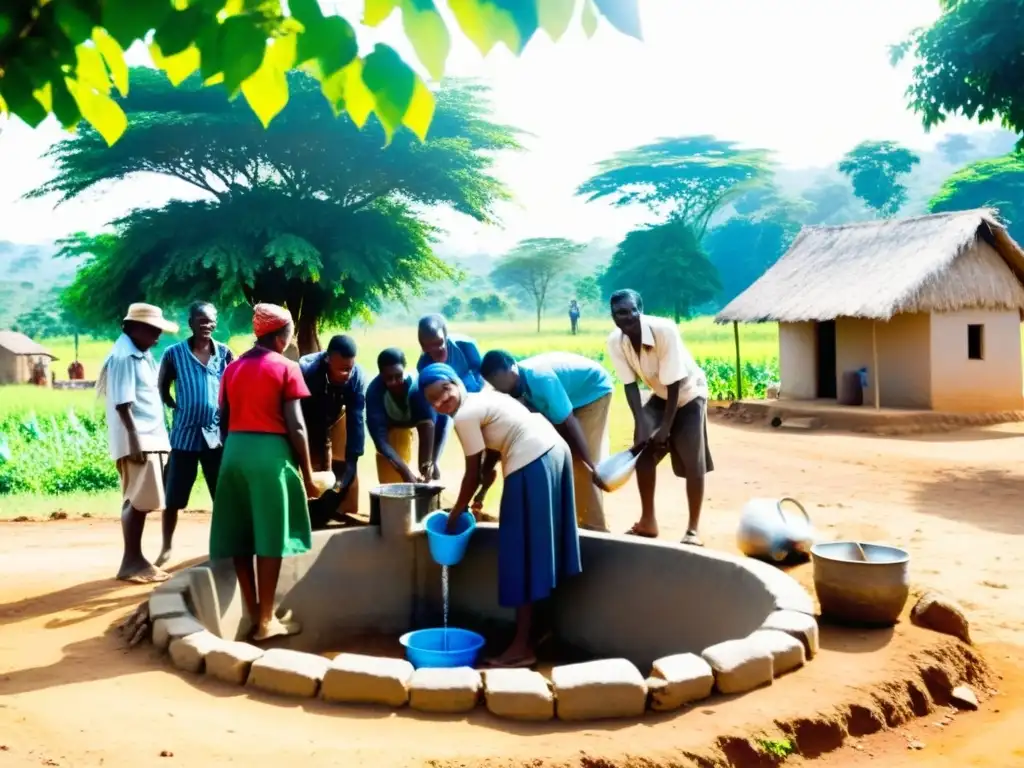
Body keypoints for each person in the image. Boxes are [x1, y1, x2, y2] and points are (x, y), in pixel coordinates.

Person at [420, 363, 581, 669]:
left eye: (443, 392)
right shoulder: (484, 399)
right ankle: (539, 631)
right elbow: (487, 464)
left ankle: (520, 647)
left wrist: (454, 515)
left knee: (519, 554)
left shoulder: (464, 416)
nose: (441, 402)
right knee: (542, 551)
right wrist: (480, 496)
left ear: (454, 382)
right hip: (555, 451)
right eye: (432, 401)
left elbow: (471, 475)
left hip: (531, 460)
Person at [211, 303, 318, 642]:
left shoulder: (232, 369)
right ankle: (268, 621)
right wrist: (310, 475)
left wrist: (236, 450)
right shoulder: (286, 368)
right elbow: (297, 427)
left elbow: (224, 421)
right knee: (270, 536)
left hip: (234, 455)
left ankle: (254, 610)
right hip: (269, 456)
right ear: (281, 335)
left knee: (242, 534)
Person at [606, 289, 713, 546]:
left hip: (688, 394)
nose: (627, 316)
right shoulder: (616, 342)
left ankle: (693, 530)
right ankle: (648, 521)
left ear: (639, 310)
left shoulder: (664, 330)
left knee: (691, 459)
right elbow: (630, 385)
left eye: (632, 310)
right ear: (613, 317)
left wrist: (665, 428)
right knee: (643, 454)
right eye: (621, 312)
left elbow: (675, 383)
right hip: (660, 395)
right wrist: (641, 424)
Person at [480, 350, 613, 532]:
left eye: (503, 383)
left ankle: (595, 528)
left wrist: (591, 464)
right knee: (553, 456)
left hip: (591, 392)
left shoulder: (541, 379)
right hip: (562, 400)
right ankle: (564, 522)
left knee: (579, 463)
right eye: (495, 384)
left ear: (512, 367)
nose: (504, 391)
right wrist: (482, 483)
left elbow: (570, 423)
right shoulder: (501, 392)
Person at [98, 303, 179, 583]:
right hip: (140, 438)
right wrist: (135, 440)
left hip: (149, 437)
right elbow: (123, 403)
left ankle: (135, 559)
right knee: (138, 500)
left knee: (139, 499)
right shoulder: (123, 357)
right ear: (133, 328)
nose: (157, 336)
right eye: (153, 330)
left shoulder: (140, 354)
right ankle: (131, 561)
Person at [158, 301, 234, 567]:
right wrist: (175, 406)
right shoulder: (173, 353)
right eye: (201, 320)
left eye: (211, 321)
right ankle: (166, 546)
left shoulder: (225, 353)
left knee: (222, 496)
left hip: (216, 438)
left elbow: (233, 390)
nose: (206, 325)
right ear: (190, 322)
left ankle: (223, 546)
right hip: (184, 437)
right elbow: (163, 386)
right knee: (173, 495)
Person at [298, 335, 366, 521]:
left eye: (349, 368)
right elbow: (301, 418)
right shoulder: (307, 371)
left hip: (339, 414)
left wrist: (351, 462)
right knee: (311, 464)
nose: (347, 374)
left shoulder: (357, 377)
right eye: (342, 369)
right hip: (307, 417)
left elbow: (356, 422)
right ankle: (302, 508)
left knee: (346, 462)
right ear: (328, 359)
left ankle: (342, 507)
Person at [416, 314, 485, 478]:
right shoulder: (424, 364)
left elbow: (481, 374)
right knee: (442, 416)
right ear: (422, 346)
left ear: (446, 335)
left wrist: (465, 391)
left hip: (474, 395)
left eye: (439, 342)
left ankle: (482, 468)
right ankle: (432, 464)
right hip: (448, 403)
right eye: (428, 346)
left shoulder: (465, 346)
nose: (435, 349)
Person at [366, 348, 436, 484]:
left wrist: (426, 465)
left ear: (404, 369)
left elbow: (428, 424)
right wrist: (406, 473)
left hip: (425, 423)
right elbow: (381, 441)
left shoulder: (417, 387)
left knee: (429, 471)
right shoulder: (374, 393)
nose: (394, 382)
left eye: (398, 376)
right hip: (392, 429)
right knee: (392, 479)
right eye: (388, 378)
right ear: (381, 375)